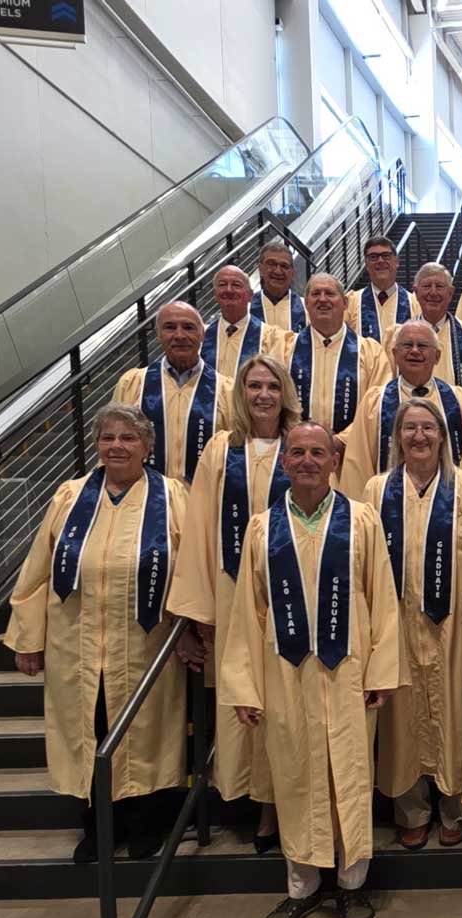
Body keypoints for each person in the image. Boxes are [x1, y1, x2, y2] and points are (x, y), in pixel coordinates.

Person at [222, 421, 402, 918]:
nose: (306, 461)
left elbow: (382, 599)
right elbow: (247, 614)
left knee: (349, 777)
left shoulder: (361, 520)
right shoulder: (262, 527)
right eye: (296, 452)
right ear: (283, 463)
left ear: (333, 461)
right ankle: (300, 888)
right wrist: (244, 687)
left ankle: (351, 886)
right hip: (285, 675)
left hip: (348, 675)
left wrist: (381, 670)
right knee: (296, 777)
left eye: (316, 452)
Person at [5, 403, 189, 864]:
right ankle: (97, 827)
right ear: (97, 445)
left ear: (148, 447)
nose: (117, 446)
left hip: (147, 644)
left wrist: (191, 630)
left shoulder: (172, 497)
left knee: (145, 733)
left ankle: (146, 826)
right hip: (77, 642)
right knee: (89, 729)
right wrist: (29, 637)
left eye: (128, 438)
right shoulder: (70, 497)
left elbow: (190, 573)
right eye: (108, 437)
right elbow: (37, 571)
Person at [167, 354, 300, 853]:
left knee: (288, 696)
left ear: (285, 391)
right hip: (230, 591)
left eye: (271, 385)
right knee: (245, 694)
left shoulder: (302, 443)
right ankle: (251, 798)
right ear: (240, 393)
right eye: (254, 385)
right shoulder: (222, 449)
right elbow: (200, 524)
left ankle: (276, 806)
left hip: (294, 593)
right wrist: (195, 613)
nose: (263, 394)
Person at [363, 400, 462, 849]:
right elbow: (365, 562)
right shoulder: (377, 490)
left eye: (427, 428)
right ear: (397, 436)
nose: (419, 437)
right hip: (396, 624)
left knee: (454, 714)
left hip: (453, 625)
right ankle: (411, 809)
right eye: (410, 428)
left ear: (442, 435)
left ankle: (453, 809)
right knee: (402, 719)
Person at [339, 319, 462, 497]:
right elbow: (358, 468)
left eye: (422, 346)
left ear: (437, 356)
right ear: (394, 353)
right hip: (388, 509)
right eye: (407, 345)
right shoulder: (375, 402)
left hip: (451, 509)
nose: (414, 351)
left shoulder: (460, 401)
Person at [113, 301, 234, 485]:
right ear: (159, 335)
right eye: (170, 327)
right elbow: (113, 446)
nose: (179, 335)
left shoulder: (227, 390)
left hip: (204, 503)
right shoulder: (133, 383)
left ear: (202, 334)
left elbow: (236, 455)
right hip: (144, 503)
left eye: (188, 327)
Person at [282, 273, 390, 441]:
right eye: (316, 294)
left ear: (345, 303)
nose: (323, 299)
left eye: (330, 293)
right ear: (307, 303)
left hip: (350, 455)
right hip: (296, 455)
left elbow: (379, 406)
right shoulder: (285, 349)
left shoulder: (371, 352)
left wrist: (341, 441)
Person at [385, 263, 462, 422]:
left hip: (459, 429)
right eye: (426, 286)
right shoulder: (396, 337)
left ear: (450, 293)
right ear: (415, 293)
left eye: (439, 286)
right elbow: (387, 390)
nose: (433, 292)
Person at [203, 264, 291, 378]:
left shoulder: (271, 338)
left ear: (250, 295)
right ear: (215, 294)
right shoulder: (202, 336)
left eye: (236, 285)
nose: (229, 290)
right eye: (222, 284)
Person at [345, 235, 418, 342]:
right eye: (373, 257)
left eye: (386, 256)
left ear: (396, 262)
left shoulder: (415, 303)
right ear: (366, 264)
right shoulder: (350, 302)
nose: (380, 260)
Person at [250, 241, 306, 332]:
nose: (278, 271)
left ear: (292, 273)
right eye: (271, 264)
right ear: (260, 269)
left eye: (284, 266)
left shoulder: (307, 309)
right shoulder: (246, 308)